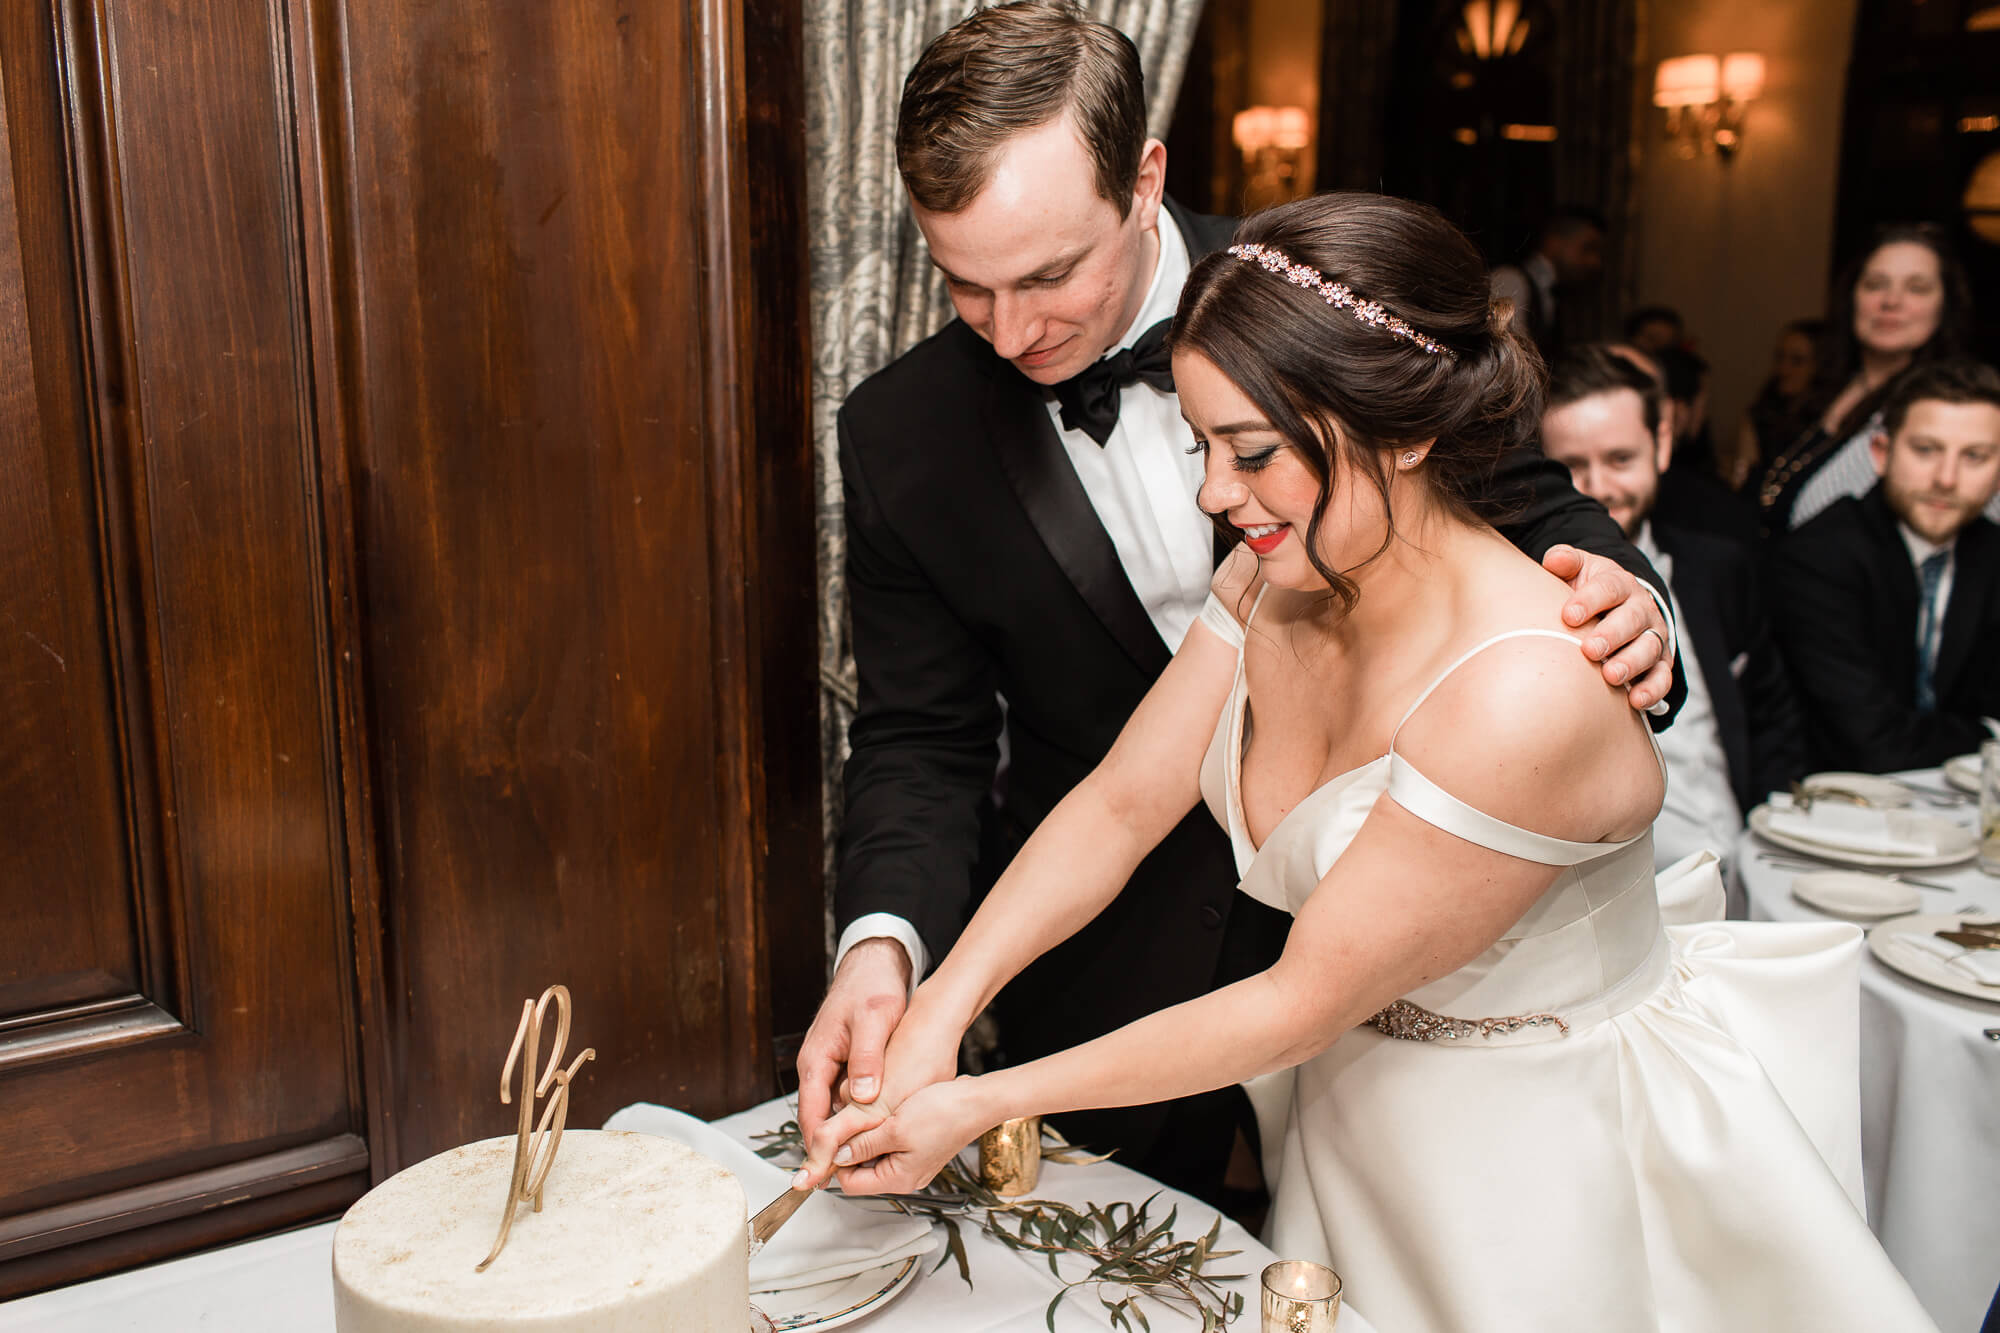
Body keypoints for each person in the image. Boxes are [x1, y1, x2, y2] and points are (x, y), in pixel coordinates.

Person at [801, 193, 1932, 1333]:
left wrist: (978, 1098)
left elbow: (1298, 1002)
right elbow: (1120, 801)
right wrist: (940, 1003)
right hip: (1355, 1108)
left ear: (1403, 430)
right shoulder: (1268, 575)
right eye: (1200, 445)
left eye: (1249, 451)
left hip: (1538, 1160)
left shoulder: (1522, 690)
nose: (1210, 492)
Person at [804, 0, 1683, 1209]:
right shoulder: (910, 437)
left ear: (1143, 175)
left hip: (1493, 1087)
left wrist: (1628, 610)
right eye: (964, 288)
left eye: (1051, 273)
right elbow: (1003, 761)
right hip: (1117, 974)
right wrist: (915, 982)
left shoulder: (1330, 304)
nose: (1011, 331)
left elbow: (1527, 501)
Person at [1543, 346, 1805, 878]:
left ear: (1661, 445)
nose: (1599, 488)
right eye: (1572, 466)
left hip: (1742, 866)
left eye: (1620, 459)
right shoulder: (1531, 594)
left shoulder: (1721, 569)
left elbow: (1772, 719)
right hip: (1622, 890)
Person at [1769, 359, 2000, 772]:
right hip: (1831, 810)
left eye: (1975, 456)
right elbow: (1873, 744)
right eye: (1926, 450)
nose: (1946, 478)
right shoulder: (1819, 557)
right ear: (1881, 452)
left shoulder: (1991, 553)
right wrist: (1988, 732)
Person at [1758, 222, 1980, 535]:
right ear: (1852, 298)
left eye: (1917, 288)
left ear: (1945, 306)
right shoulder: (1826, 388)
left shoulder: (1951, 411)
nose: (1891, 301)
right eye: (1876, 284)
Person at [1488, 205, 1607, 362]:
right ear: (1554, 242)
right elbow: (1505, 355)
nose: (1595, 262)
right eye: (1588, 248)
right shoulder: (1511, 279)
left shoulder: (1563, 293)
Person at [1734, 317, 1824, 492]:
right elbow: (1741, 478)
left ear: (1820, 366)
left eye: (1797, 361)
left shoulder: (1831, 422)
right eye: (1779, 357)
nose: (1784, 369)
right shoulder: (1762, 414)